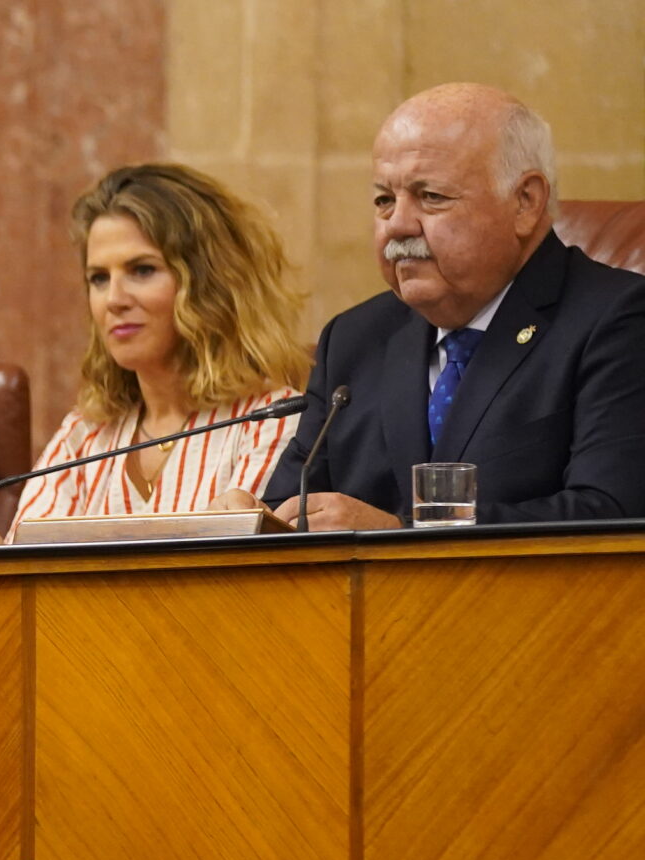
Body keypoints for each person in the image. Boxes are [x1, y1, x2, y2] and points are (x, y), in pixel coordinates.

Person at [259, 83, 645, 528]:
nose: (398, 225)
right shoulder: (353, 339)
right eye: (384, 200)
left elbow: (612, 514)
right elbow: (290, 512)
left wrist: (397, 533)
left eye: (431, 197)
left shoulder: (617, 320)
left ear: (525, 202)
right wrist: (250, 520)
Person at [0, 163, 309, 543]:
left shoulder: (271, 423)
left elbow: (235, 579)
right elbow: (28, 573)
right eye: (99, 278)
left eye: (142, 270)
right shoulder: (85, 433)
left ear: (210, 285)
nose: (114, 300)